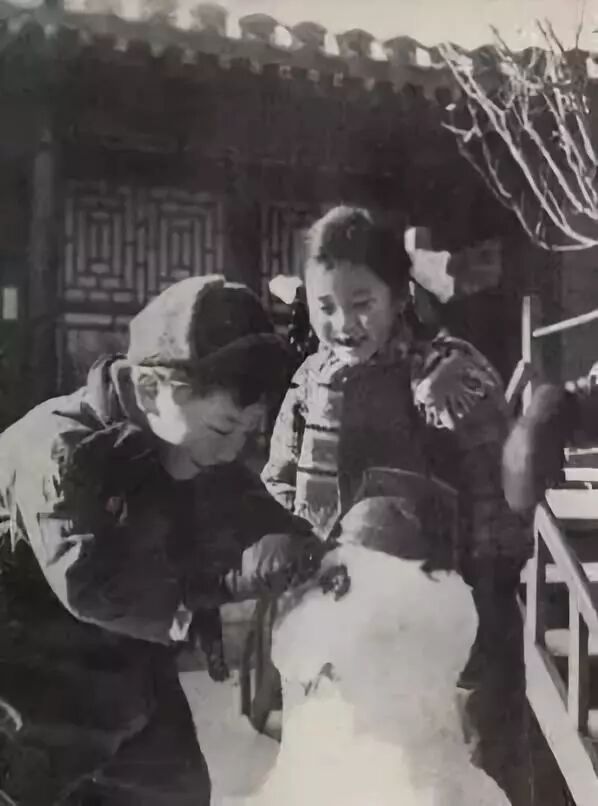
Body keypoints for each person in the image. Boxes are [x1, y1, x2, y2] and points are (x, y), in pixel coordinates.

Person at [0, 274, 320, 806]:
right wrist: (228, 582)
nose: (232, 450)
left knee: (174, 787)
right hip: (27, 647)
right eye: (224, 430)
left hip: (122, 643)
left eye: (248, 432)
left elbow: (240, 499)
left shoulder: (180, 433)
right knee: (45, 772)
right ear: (150, 390)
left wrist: (302, 544)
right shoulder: (61, 452)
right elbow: (94, 588)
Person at [261, 206, 533, 804]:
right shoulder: (310, 381)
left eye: (362, 303)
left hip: (443, 606)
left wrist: (485, 592)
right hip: (337, 615)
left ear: (400, 295)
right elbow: (280, 483)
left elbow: (496, 489)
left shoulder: (447, 371)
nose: (343, 323)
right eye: (325, 306)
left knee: (458, 768)